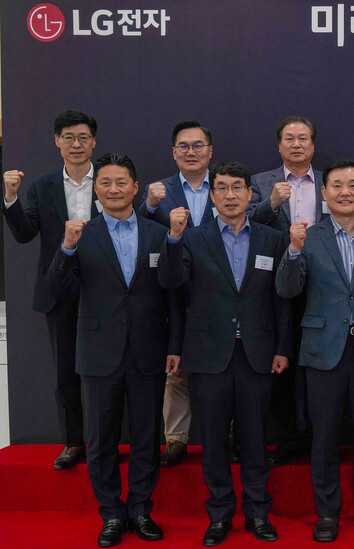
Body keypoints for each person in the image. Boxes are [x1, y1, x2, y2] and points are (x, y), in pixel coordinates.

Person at [45, 153, 182, 547]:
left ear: (135, 188)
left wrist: (174, 345)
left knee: (146, 437)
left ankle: (140, 510)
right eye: (105, 182)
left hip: (148, 350)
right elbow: (55, 291)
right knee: (101, 440)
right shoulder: (80, 233)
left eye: (122, 182)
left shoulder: (158, 233)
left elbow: (173, 294)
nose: (114, 189)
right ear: (96, 190)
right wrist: (66, 248)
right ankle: (111, 513)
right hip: (97, 351)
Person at [157, 160, 291, 545]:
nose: (230, 195)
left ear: (250, 194)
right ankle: (219, 516)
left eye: (237, 187)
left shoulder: (271, 238)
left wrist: (283, 348)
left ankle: (258, 513)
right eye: (221, 188)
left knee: (255, 439)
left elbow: (281, 299)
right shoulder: (192, 238)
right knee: (214, 442)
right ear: (212, 196)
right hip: (207, 353)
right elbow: (172, 287)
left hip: (257, 353)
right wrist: (172, 238)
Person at [276, 160, 354, 542]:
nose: (345, 192)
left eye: (352, 185)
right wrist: (293, 250)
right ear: (324, 193)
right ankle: (328, 511)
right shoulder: (307, 236)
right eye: (337, 185)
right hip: (323, 349)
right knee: (325, 435)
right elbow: (287, 289)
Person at [2, 110, 99, 470]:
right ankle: (73, 442)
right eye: (69, 137)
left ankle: (106, 441)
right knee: (65, 373)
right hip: (58, 288)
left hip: (104, 288)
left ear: (93, 142)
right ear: (57, 141)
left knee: (107, 371)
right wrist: (10, 197)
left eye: (83, 137)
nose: (76, 144)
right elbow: (25, 233)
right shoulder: (42, 186)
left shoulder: (109, 180)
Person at [139, 120, 217, 467]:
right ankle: (175, 437)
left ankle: (226, 433)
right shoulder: (159, 190)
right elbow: (140, 227)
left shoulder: (226, 185)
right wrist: (148, 206)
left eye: (198, 145)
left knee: (223, 365)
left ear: (210, 151)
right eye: (183, 146)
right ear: (174, 152)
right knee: (175, 364)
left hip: (219, 287)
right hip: (173, 287)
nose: (191, 152)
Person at [249, 115, 326, 466]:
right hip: (275, 283)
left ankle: (317, 436)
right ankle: (285, 438)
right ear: (279, 145)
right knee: (280, 361)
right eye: (289, 138)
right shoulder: (261, 182)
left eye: (303, 138)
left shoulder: (328, 182)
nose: (296, 144)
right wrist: (272, 203)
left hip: (321, 284)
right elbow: (245, 223)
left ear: (313, 144)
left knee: (317, 363)